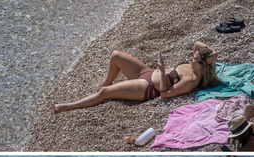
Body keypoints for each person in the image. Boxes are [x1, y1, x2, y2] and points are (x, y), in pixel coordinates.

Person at [50, 41, 218, 112]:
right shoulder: (197, 65)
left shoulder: (191, 81)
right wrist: (214, 53)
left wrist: (161, 69)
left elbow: (165, 94)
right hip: (147, 72)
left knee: (105, 93)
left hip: (147, 87)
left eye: (194, 59)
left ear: (202, 65)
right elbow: (197, 43)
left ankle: (66, 107)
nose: (190, 58)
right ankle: (107, 81)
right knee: (115, 55)